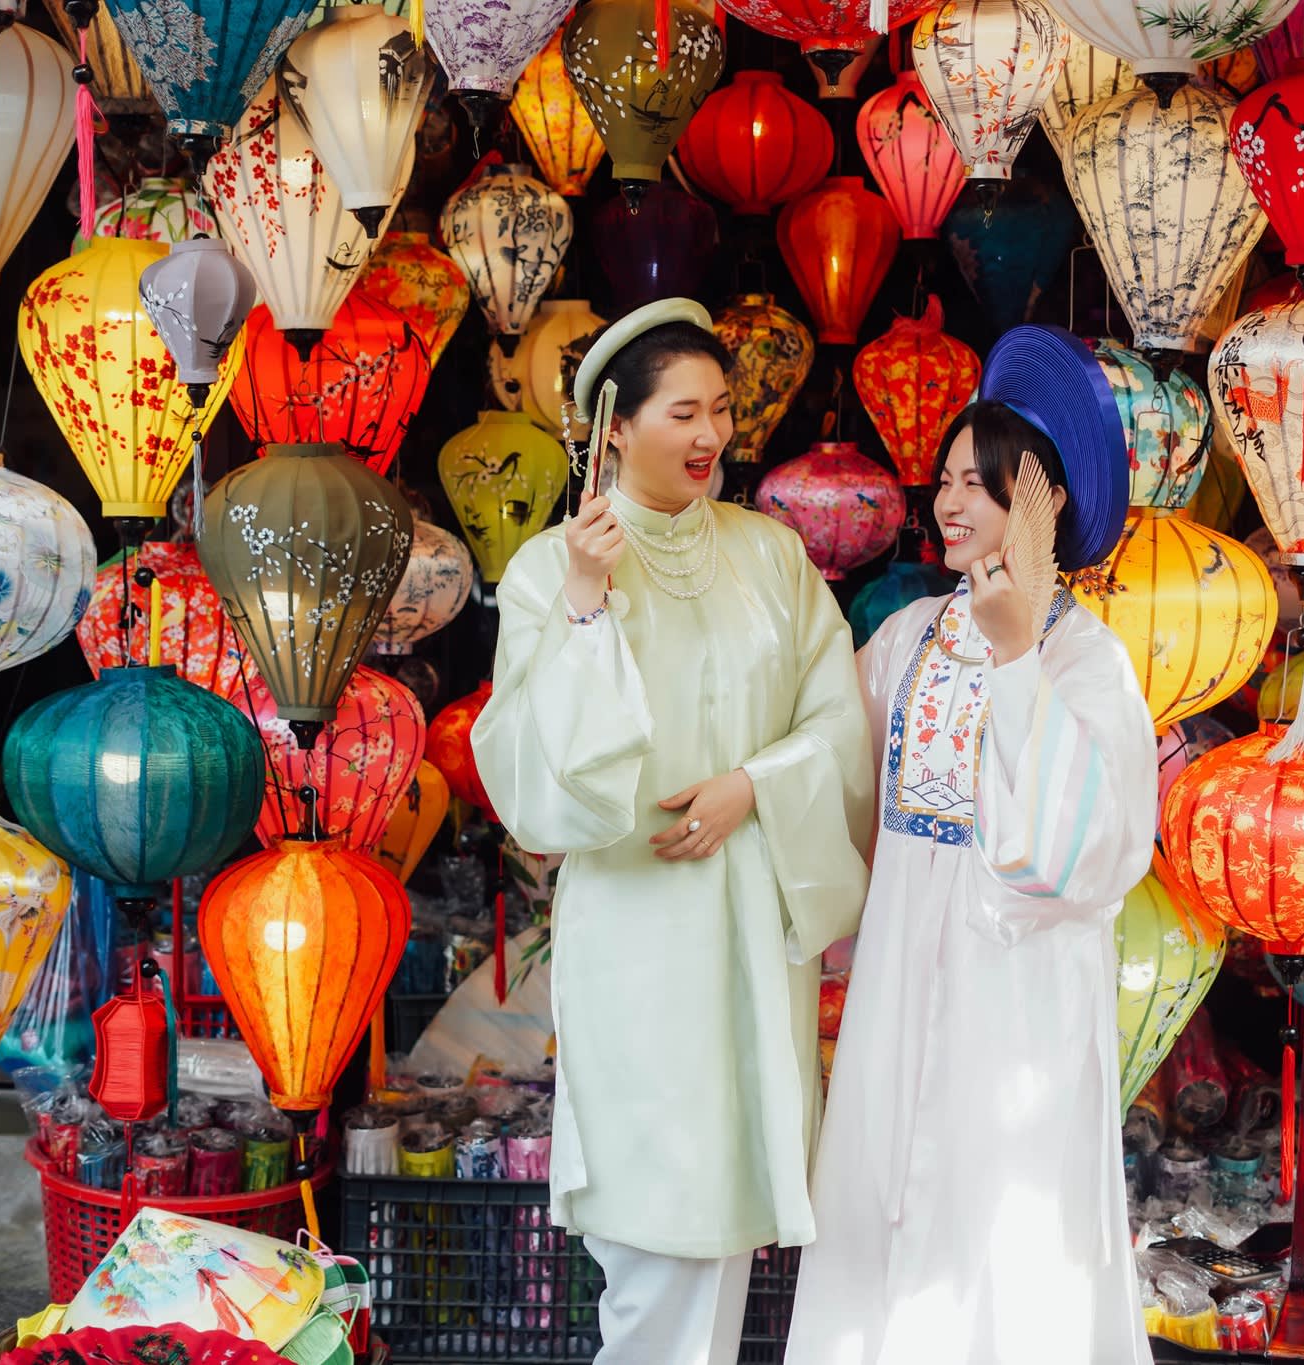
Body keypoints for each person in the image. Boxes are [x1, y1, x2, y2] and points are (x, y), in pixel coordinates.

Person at [469, 298, 876, 1365]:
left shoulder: (771, 555)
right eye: (682, 413)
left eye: (721, 410)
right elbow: (535, 769)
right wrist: (587, 597)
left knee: (727, 1211)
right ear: (615, 428)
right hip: (637, 932)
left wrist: (753, 785)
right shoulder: (547, 570)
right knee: (657, 1217)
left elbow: (838, 724)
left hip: (752, 920)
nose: (710, 436)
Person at [786, 325, 1158, 1365]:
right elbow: (827, 764)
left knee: (1002, 1216)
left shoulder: (1087, 660)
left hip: (1021, 988)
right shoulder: (906, 637)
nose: (950, 502)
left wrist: (1015, 655)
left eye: (979, 485)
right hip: (899, 966)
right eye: (945, 479)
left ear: (1040, 505)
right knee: (879, 1193)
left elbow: (1078, 853)